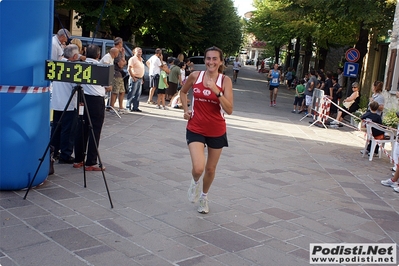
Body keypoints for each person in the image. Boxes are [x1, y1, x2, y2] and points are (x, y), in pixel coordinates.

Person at [180, 46, 233, 214]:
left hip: (217, 129)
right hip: (196, 126)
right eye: (208, 58)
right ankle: (195, 183)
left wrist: (216, 91)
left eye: (215, 58)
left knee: (210, 169)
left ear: (220, 62)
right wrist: (185, 109)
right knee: (198, 168)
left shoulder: (225, 81)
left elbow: (229, 109)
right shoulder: (195, 76)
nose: (211, 62)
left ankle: (204, 197)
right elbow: (182, 92)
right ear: (205, 60)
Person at [73, 44, 111, 171]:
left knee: (81, 128)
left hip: (82, 98)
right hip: (96, 100)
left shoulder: (80, 65)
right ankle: (91, 162)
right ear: (98, 55)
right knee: (95, 130)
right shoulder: (101, 67)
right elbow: (108, 86)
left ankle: (78, 159)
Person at [50, 44, 79, 164]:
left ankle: (53, 151)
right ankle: (65, 154)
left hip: (57, 102)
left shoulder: (58, 64)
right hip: (69, 104)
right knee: (68, 131)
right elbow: (76, 86)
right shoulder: (72, 67)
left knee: (56, 128)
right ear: (75, 56)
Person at [110, 37, 127, 114]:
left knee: (122, 91)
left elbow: (122, 62)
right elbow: (120, 64)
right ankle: (112, 107)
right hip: (115, 73)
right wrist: (124, 62)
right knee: (115, 91)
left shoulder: (120, 52)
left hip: (119, 74)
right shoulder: (116, 51)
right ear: (119, 43)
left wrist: (123, 55)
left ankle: (121, 107)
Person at [126, 47, 145, 112]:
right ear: (134, 52)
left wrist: (142, 78)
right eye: (138, 52)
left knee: (138, 94)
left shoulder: (141, 59)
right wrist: (133, 78)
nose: (140, 53)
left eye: (140, 52)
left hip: (139, 79)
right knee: (131, 93)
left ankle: (135, 107)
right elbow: (129, 69)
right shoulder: (132, 59)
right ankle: (128, 106)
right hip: (134, 78)